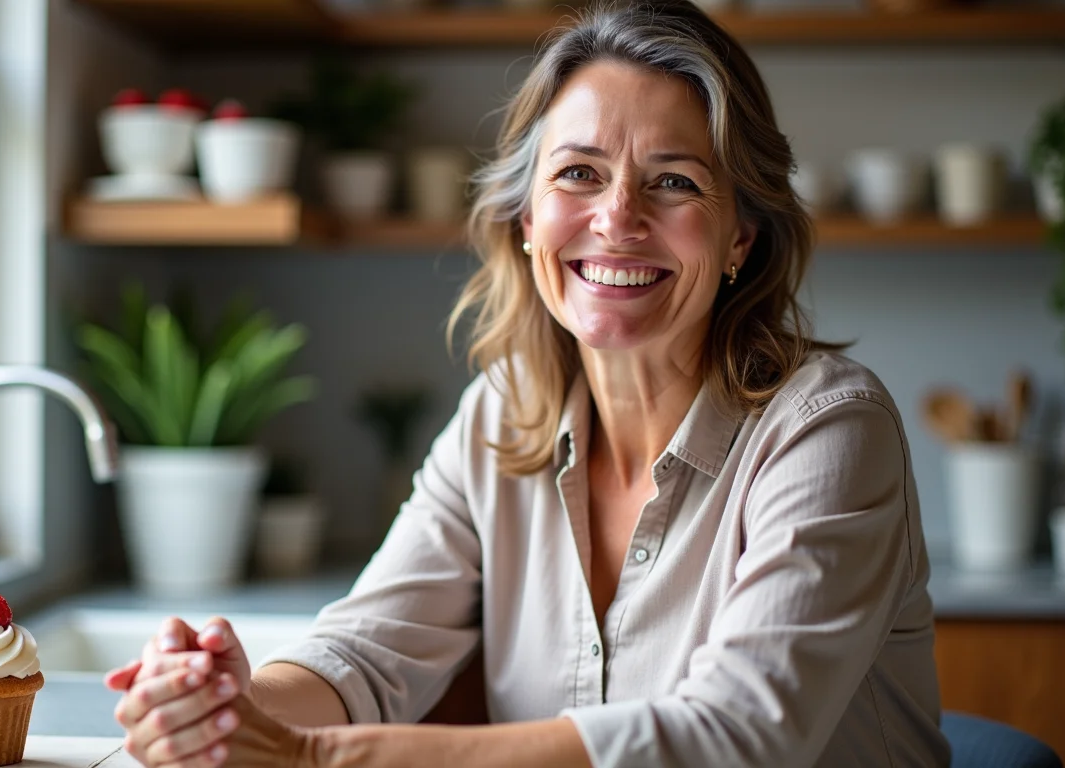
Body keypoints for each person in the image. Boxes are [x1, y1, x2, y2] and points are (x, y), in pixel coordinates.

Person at [103, 2, 950, 766]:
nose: (617, 217)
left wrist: (314, 757)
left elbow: (737, 736)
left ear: (741, 239)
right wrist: (226, 707)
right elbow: (366, 651)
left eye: (674, 181)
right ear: (526, 218)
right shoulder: (503, 413)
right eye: (579, 173)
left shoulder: (829, 428)